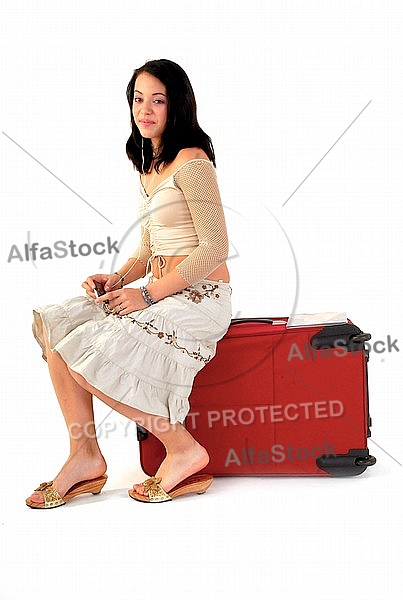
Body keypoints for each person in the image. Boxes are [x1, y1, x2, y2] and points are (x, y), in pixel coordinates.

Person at [26, 58, 232, 507]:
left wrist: (146, 294)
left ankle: (184, 450)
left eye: (158, 100)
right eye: (139, 99)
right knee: (61, 341)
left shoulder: (193, 161)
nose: (146, 109)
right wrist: (117, 278)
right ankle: (84, 457)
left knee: (90, 355)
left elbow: (214, 247)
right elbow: (147, 249)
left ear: (177, 105)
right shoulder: (149, 165)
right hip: (158, 293)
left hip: (199, 298)